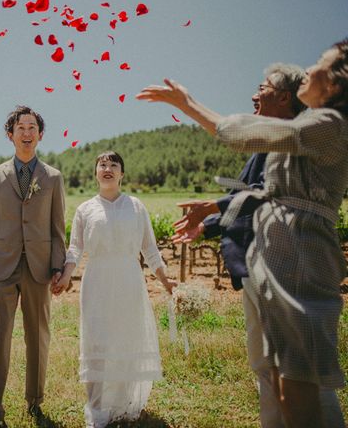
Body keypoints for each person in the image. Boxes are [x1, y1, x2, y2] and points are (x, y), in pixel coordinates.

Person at [137, 38, 348, 428]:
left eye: (321, 61)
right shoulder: (311, 127)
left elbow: (238, 134)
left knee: (304, 382)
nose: (312, 66)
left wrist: (187, 104)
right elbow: (266, 191)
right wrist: (215, 208)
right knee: (285, 381)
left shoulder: (328, 125)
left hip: (301, 257)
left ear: (334, 83)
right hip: (281, 256)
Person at [51, 151, 175, 428]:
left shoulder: (136, 206)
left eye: (113, 165)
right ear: (95, 173)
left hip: (129, 281)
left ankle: (123, 405)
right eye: (102, 165)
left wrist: (166, 280)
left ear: (122, 173)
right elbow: (75, 249)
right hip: (97, 281)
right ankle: (97, 410)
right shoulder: (85, 209)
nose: (107, 169)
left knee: (125, 339)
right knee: (97, 342)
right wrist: (66, 276)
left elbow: (150, 249)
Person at [0, 106, 66, 427]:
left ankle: (35, 401)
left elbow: (57, 227)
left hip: (40, 269)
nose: (26, 133)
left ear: (40, 135)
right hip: (2, 267)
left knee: (38, 336)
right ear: (10, 134)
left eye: (32, 127)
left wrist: (58, 267)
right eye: (20, 127)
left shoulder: (53, 177)